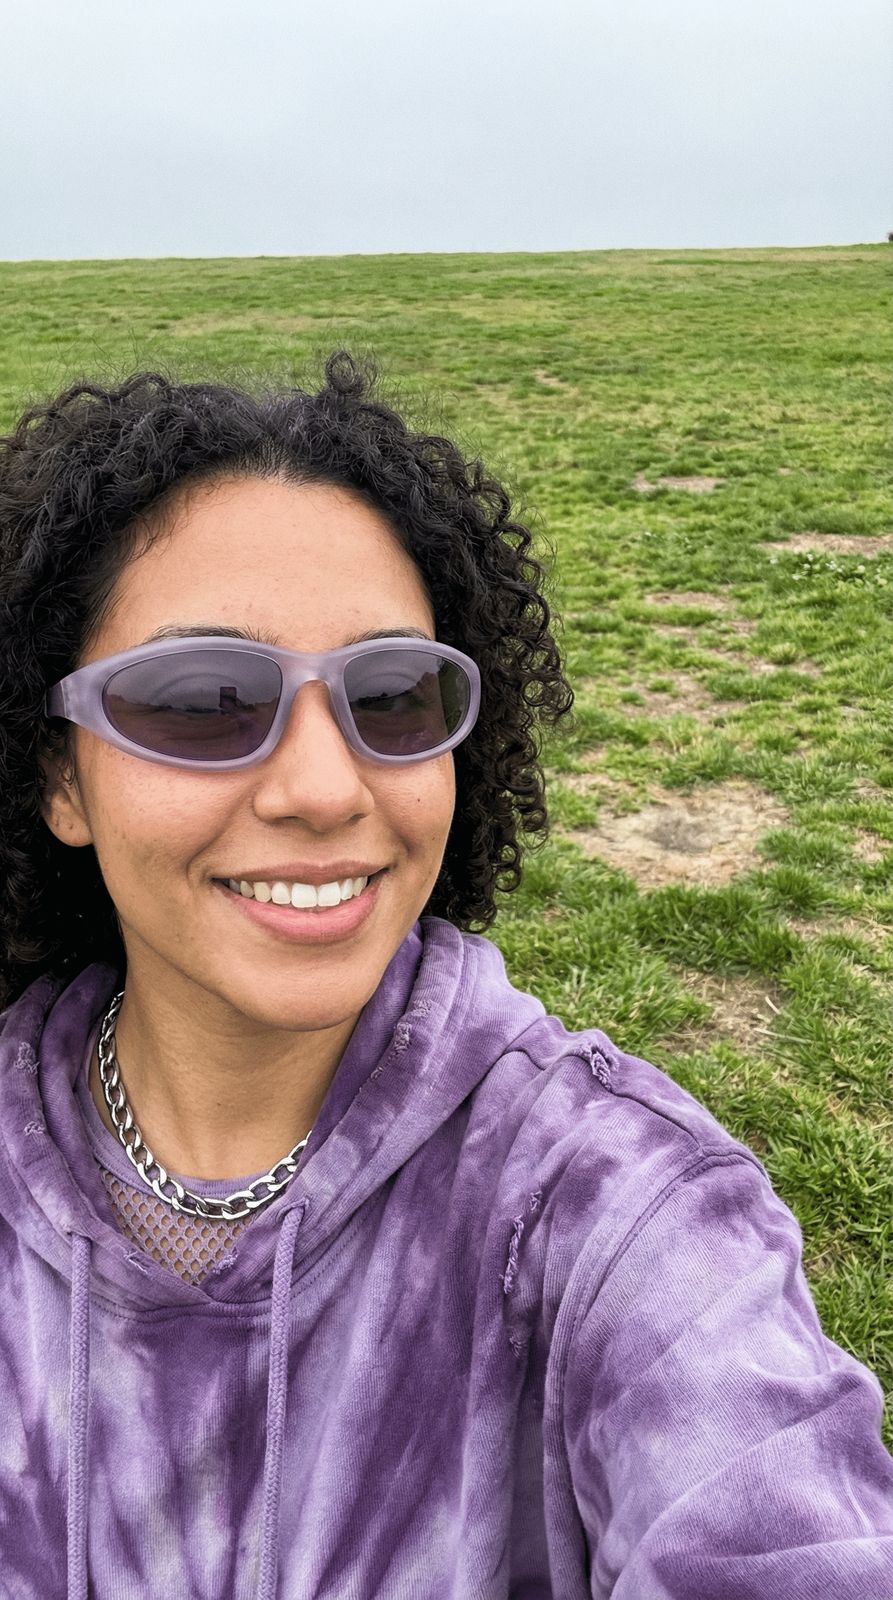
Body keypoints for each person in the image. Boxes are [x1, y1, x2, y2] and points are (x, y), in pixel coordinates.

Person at [0, 352, 890, 1600]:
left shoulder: (616, 1209)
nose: (325, 787)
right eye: (202, 698)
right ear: (59, 776)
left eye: (390, 695)